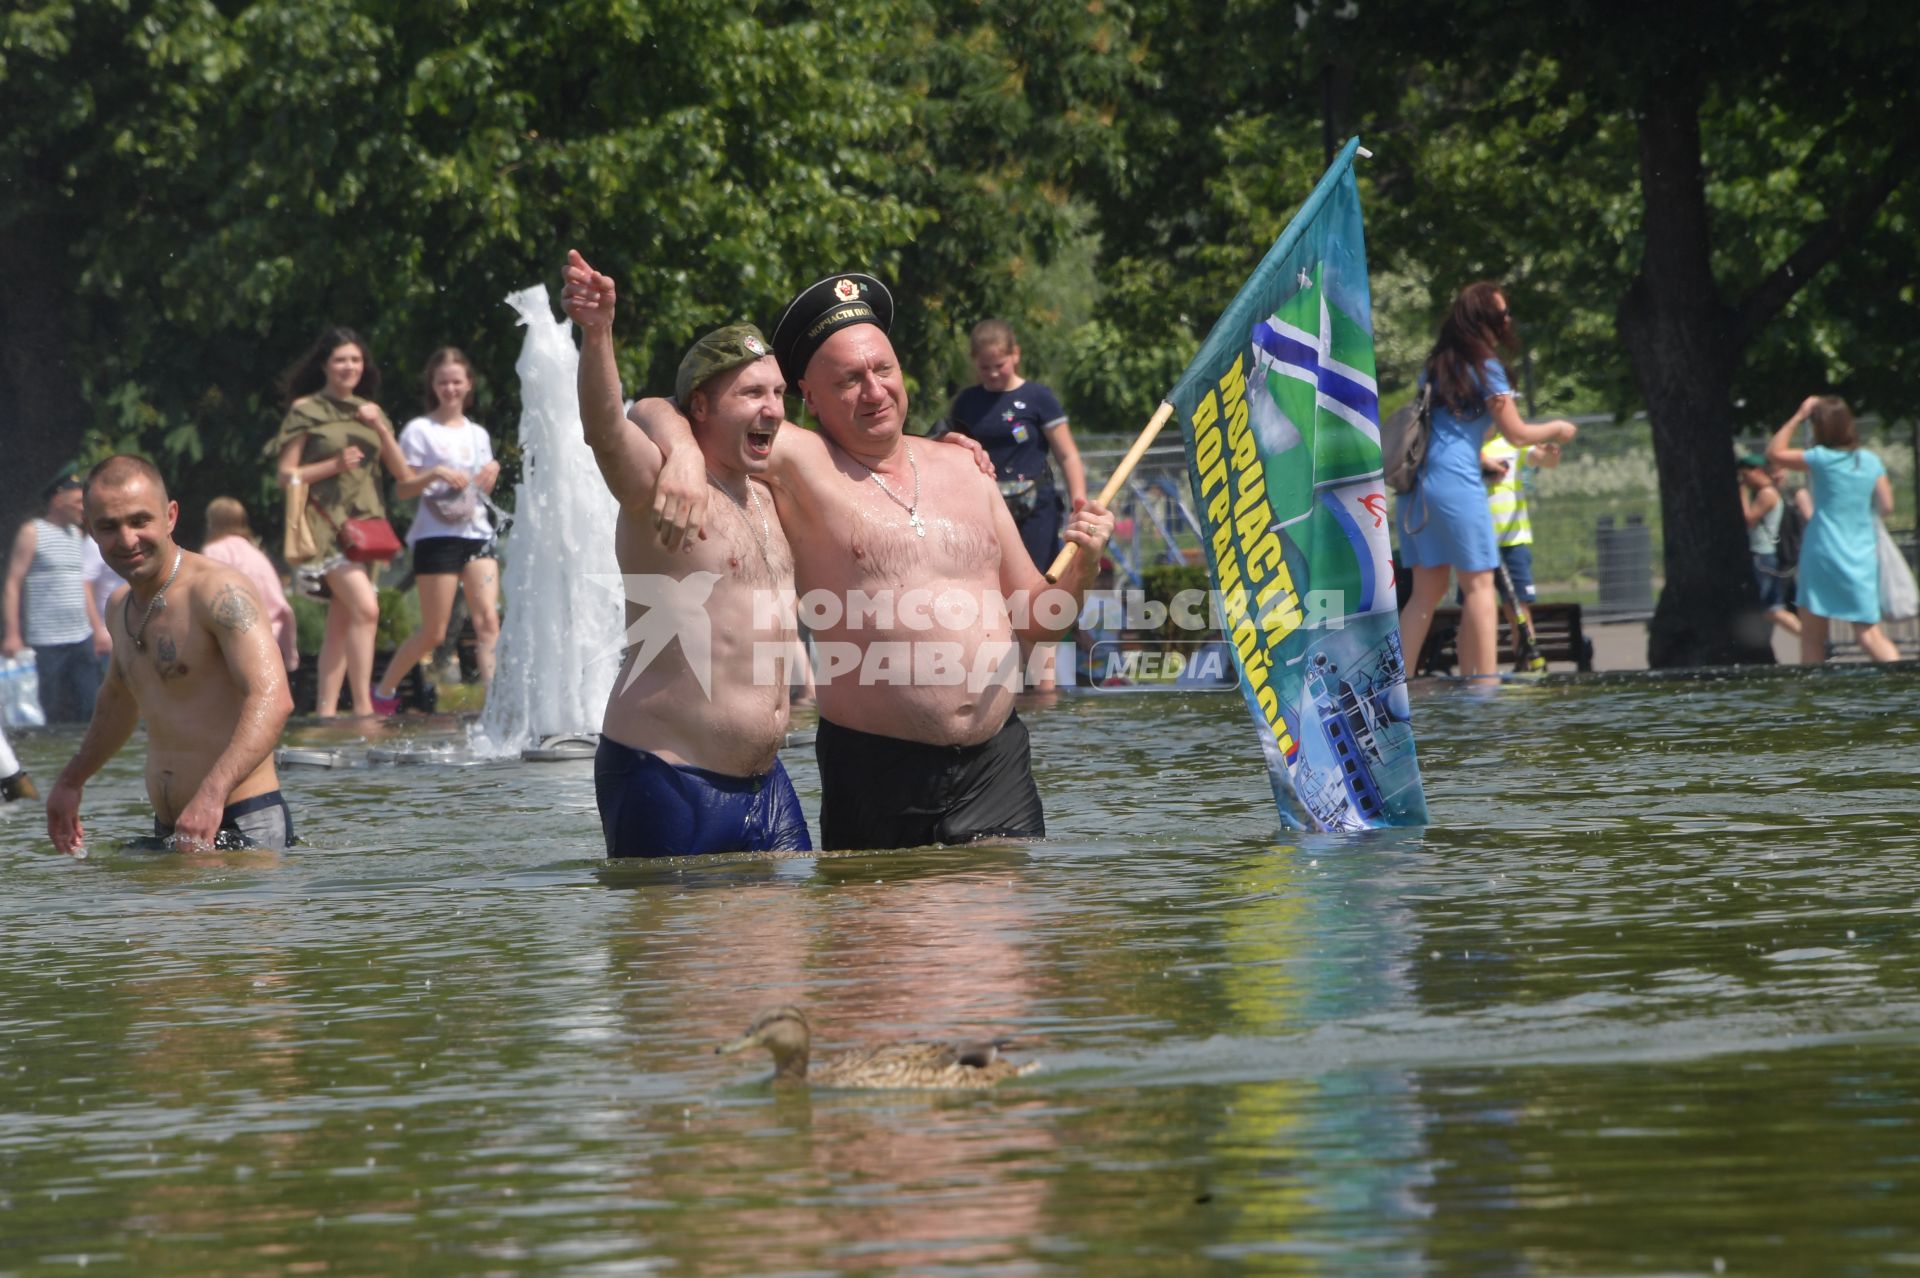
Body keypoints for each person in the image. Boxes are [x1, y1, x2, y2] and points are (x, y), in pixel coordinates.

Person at [631, 270, 1115, 851]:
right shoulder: (798, 461)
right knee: (878, 938)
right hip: (876, 770)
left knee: (1002, 934)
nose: (874, 391)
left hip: (996, 766)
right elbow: (655, 407)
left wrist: (1084, 563)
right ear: (807, 398)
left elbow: (1041, 622)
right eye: (850, 380)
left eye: (883, 370)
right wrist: (683, 453)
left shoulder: (966, 468)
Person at [561, 250, 809, 856]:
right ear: (700, 406)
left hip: (767, 784)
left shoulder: (773, 494)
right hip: (667, 774)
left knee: (788, 944)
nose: (773, 408)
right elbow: (607, 429)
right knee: (674, 946)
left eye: (777, 393)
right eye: (752, 393)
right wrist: (598, 335)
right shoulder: (664, 489)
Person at [45, 456, 295, 853]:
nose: (127, 540)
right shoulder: (119, 606)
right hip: (174, 827)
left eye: (140, 521)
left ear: (170, 516)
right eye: (109, 526)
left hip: (242, 818)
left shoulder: (217, 591)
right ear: (89, 529)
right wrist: (71, 781)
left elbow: (273, 697)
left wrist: (211, 794)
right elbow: (117, 701)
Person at [1395, 283, 1577, 681]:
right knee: (1479, 586)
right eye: (1502, 314)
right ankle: (1485, 688)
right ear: (1485, 322)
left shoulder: (1436, 365)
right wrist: (1559, 427)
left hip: (1415, 489)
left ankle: (1398, 690)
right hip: (1457, 483)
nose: (1508, 320)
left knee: (1425, 593)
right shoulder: (1485, 367)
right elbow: (1516, 433)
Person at [265, 326, 413, 717]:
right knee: (367, 609)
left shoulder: (370, 411)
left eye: (356, 359)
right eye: (341, 360)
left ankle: (326, 712)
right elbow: (285, 474)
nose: (350, 366)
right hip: (325, 527)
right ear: (325, 365)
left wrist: (379, 425)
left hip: (366, 530)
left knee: (342, 618)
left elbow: (403, 473)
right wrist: (333, 464)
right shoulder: (306, 410)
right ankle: (364, 709)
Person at [372, 348, 503, 713]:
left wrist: (490, 475)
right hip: (435, 537)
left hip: (476, 533)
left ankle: (495, 704)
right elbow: (402, 489)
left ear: (468, 385)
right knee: (435, 631)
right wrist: (434, 473)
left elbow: (480, 493)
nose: (450, 388)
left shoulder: (478, 433)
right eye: (443, 381)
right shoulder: (419, 431)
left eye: (457, 381)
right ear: (433, 385)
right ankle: (383, 692)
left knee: (488, 620)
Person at [945, 319, 1089, 572]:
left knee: (1038, 575)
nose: (992, 373)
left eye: (999, 365)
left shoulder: (1038, 398)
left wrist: (1079, 502)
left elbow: (1067, 455)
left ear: (1015, 354)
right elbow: (953, 455)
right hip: (987, 503)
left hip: (1036, 504)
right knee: (992, 575)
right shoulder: (967, 402)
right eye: (984, 367)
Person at [1766, 395, 1899, 664]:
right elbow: (1887, 505)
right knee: (1869, 634)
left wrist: (1799, 416)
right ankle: (1903, 685)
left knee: (1813, 638)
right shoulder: (1869, 461)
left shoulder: (1821, 459)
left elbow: (1774, 453)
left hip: (1823, 551)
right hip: (1861, 553)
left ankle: (1815, 700)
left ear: (1820, 427)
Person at [3, 472, 111, 722]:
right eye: (77, 503)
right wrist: (12, 634)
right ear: (58, 500)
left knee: (91, 707)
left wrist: (96, 630)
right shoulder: (32, 532)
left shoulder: (77, 535)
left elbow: (83, 585)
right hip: (46, 640)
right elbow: (13, 583)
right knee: (48, 710)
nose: (83, 510)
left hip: (81, 636)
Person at [1476, 433, 1562, 669]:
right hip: (1477, 542)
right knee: (1477, 607)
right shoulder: (1469, 443)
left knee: (1519, 606)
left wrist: (1550, 453)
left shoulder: (1514, 442)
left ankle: (1527, 663)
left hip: (1513, 541)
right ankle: (1479, 672)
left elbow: (1544, 460)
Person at [201, 497, 301, 671]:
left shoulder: (214, 552)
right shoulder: (256, 554)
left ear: (213, 523)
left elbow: (206, 596)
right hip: (270, 635)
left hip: (238, 639)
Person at [1736, 452, 1801, 637]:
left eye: (1745, 475)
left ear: (1757, 471)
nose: (1744, 480)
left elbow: (1748, 519)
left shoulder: (1767, 493)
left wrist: (1742, 492)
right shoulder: (1765, 492)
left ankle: (1811, 639)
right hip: (1761, 554)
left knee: (1771, 608)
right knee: (1767, 608)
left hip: (1762, 555)